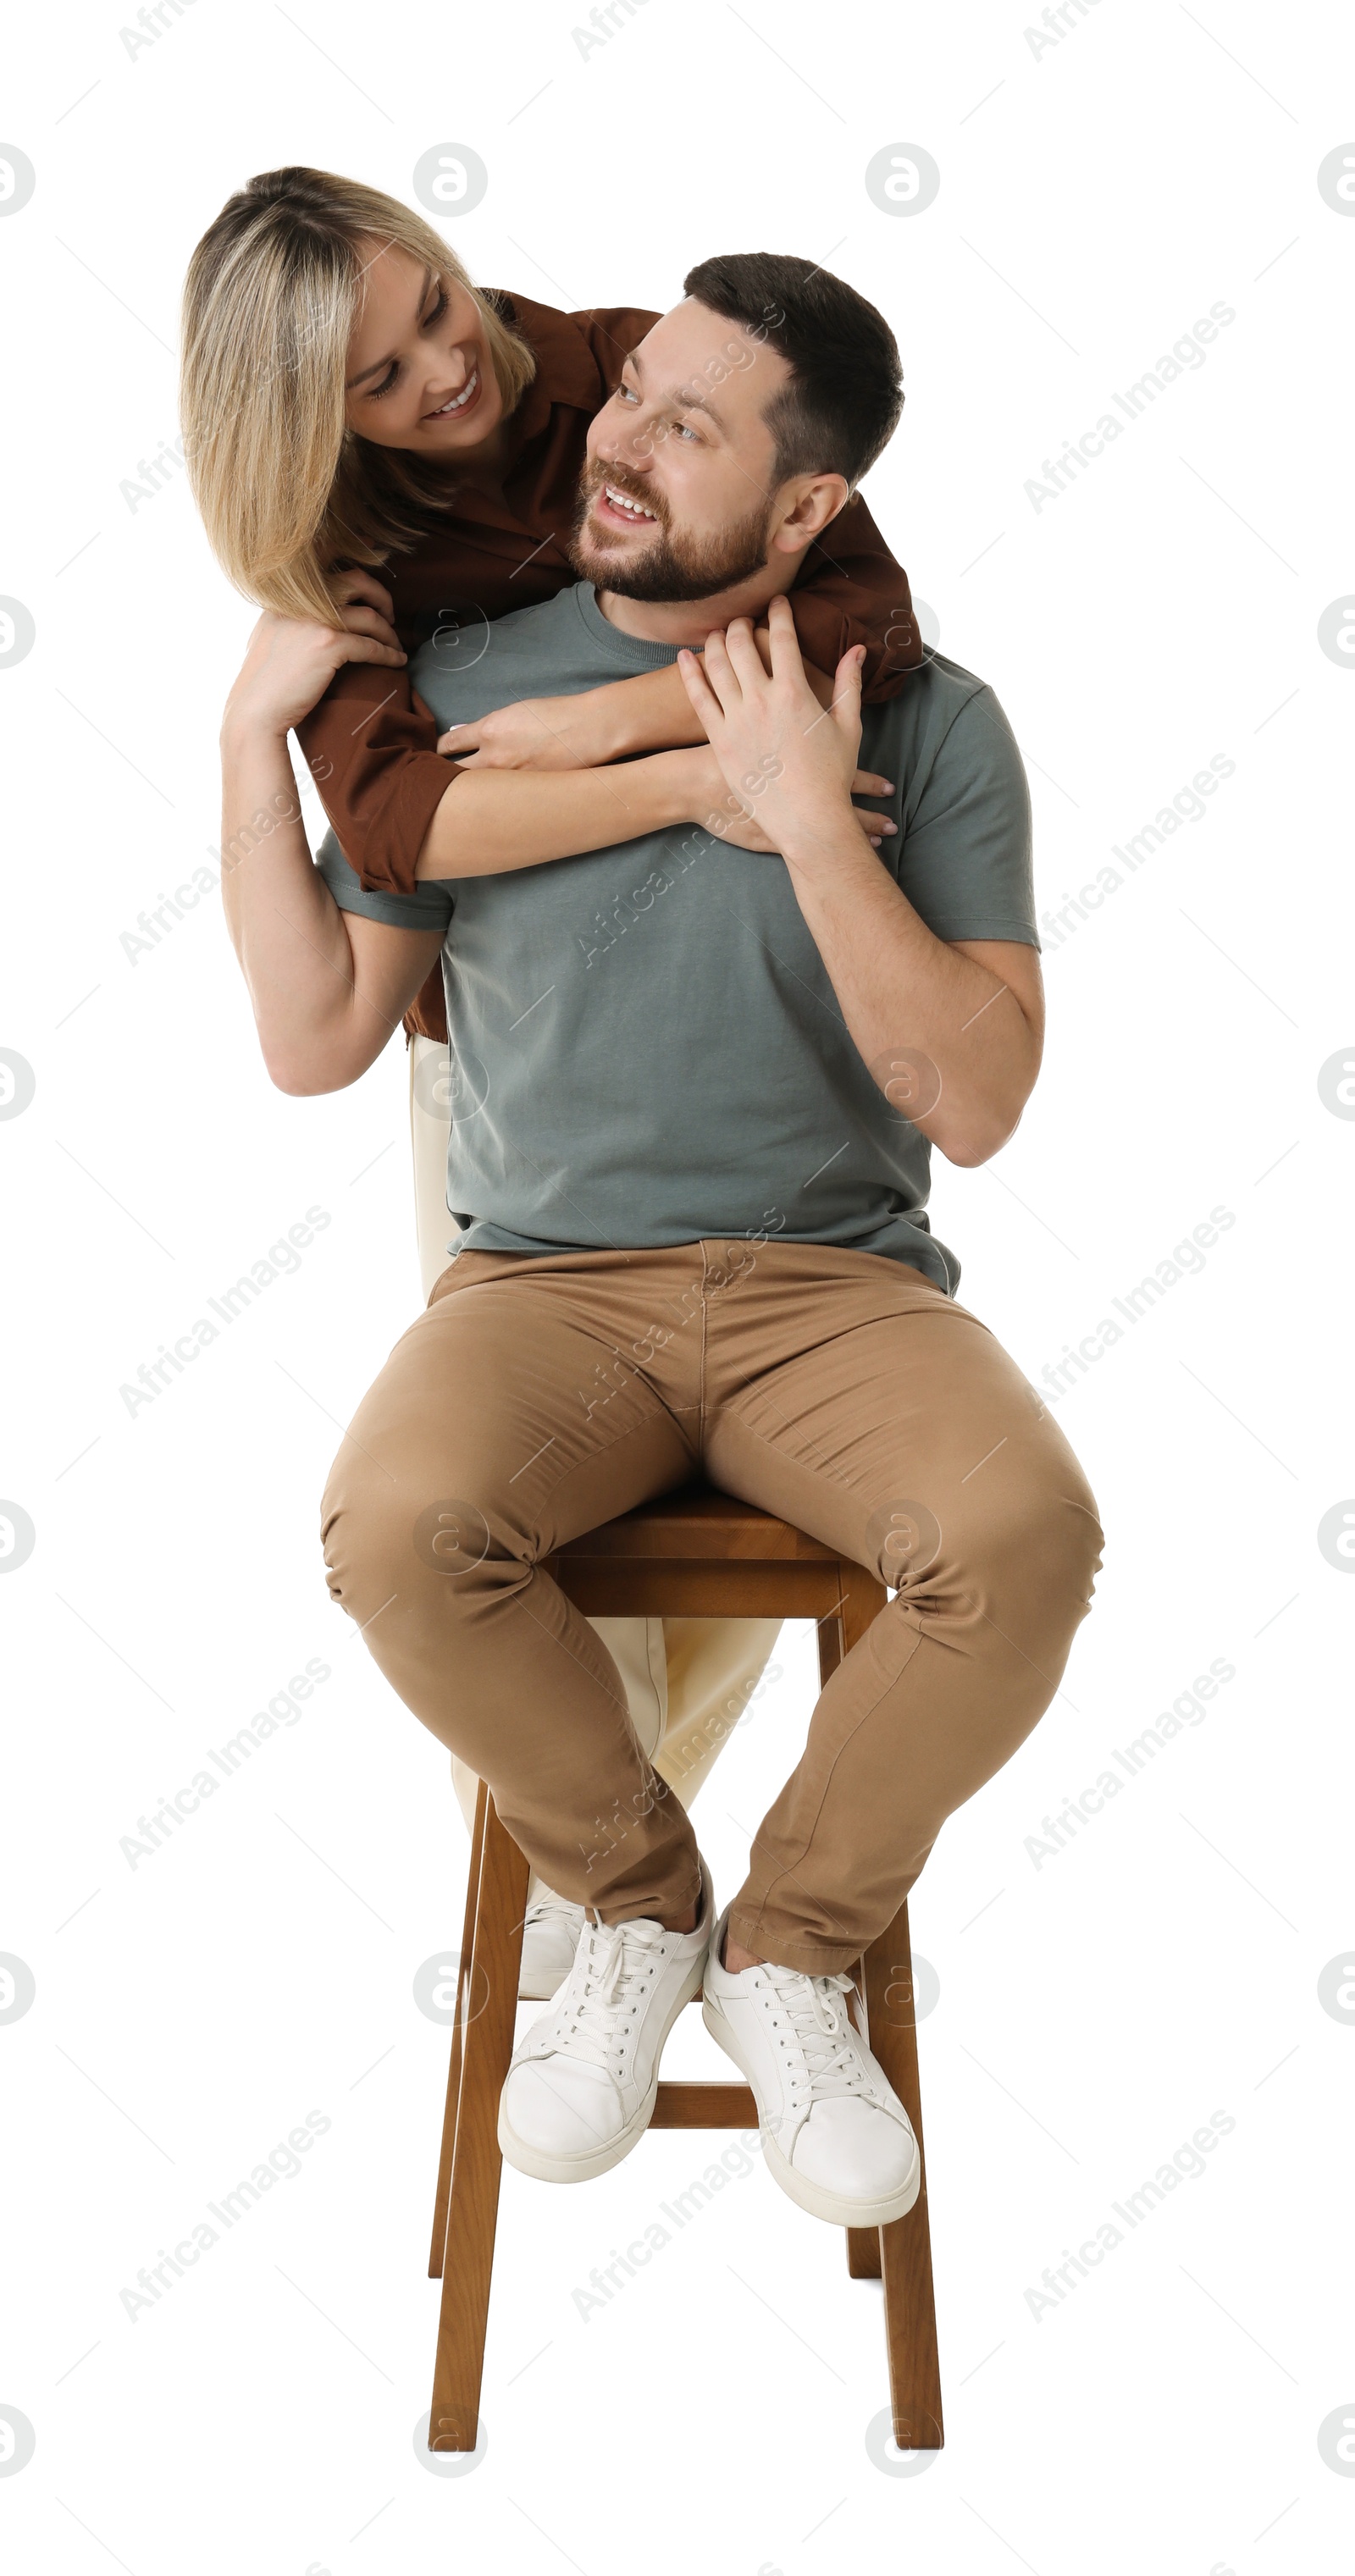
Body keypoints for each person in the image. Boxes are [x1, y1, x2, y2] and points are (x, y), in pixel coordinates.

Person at [218, 252, 1103, 2234]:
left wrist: (802, 816)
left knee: (1021, 1539)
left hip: (835, 1288)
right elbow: (316, 1040)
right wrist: (236, 749)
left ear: (804, 513)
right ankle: (633, 1901)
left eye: (684, 427)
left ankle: (787, 1945)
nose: (610, 434)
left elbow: (974, 1100)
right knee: (395, 1529)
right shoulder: (447, 711)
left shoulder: (931, 721)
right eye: (632, 393)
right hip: (544, 1283)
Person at [183, 168, 923, 1962]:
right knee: (511, 1577)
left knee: (708, 1591)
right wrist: (687, 783)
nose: (457, 367)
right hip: (517, 1112)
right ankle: (609, 1920)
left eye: (436, 300)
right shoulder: (355, 571)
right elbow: (402, 826)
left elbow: (865, 621)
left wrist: (625, 714)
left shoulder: (612, 372)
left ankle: (637, 1934)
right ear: (312, 428)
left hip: (765, 1132)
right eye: (381, 373)